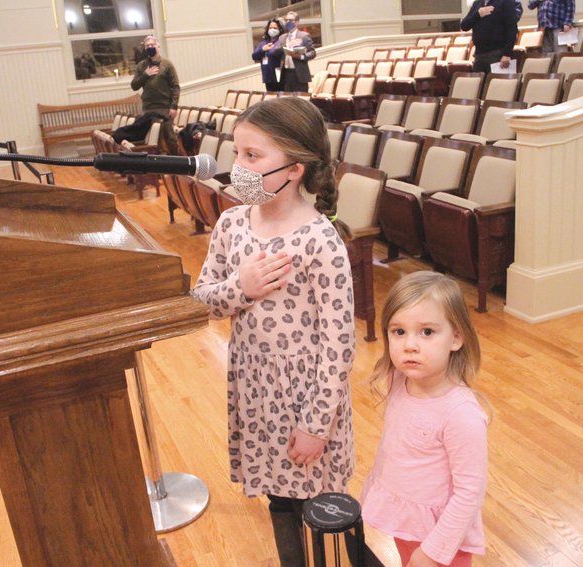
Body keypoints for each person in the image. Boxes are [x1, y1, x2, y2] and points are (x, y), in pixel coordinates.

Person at [191, 97, 355, 567]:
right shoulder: (231, 223)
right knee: (280, 503)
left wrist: (315, 425)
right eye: (236, 153)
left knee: (320, 511)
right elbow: (202, 300)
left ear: (296, 168)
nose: (237, 167)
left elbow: (338, 346)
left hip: (307, 400)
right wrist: (240, 288)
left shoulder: (320, 239)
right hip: (256, 390)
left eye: (252, 156)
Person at [361, 271, 488, 567]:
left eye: (427, 332)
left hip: (442, 537)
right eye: (399, 332)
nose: (410, 345)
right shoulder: (399, 381)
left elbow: (469, 491)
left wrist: (433, 551)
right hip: (407, 522)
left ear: (456, 337)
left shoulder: (461, 414)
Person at [130, 35, 181, 154]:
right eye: (147, 46)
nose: (150, 47)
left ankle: (176, 164)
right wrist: (145, 75)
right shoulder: (142, 66)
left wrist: (174, 106)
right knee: (151, 139)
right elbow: (134, 86)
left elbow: (175, 87)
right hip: (148, 108)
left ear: (158, 46)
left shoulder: (167, 64)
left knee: (170, 138)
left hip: (164, 107)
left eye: (152, 45)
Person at [461, 0, 519, 73]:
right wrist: (478, 14)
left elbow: (511, 29)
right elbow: (464, 26)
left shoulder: (505, 2)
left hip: (497, 53)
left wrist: (507, 54)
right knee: (478, 83)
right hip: (479, 54)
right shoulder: (477, 3)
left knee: (496, 83)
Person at [276, 11, 316, 92]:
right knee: (288, 101)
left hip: (299, 74)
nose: (288, 22)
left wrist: (301, 56)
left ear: (297, 22)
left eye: (290, 20)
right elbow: (276, 52)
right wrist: (287, 46)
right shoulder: (282, 37)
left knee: (300, 101)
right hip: (285, 73)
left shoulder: (304, 36)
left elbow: (312, 53)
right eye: (286, 20)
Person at [253, 18, 285, 92]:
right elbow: (254, 56)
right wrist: (263, 50)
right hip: (267, 75)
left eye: (274, 28)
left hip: (279, 74)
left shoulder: (281, 41)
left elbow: (274, 53)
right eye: (270, 28)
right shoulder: (264, 42)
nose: (272, 30)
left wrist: (269, 49)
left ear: (280, 29)